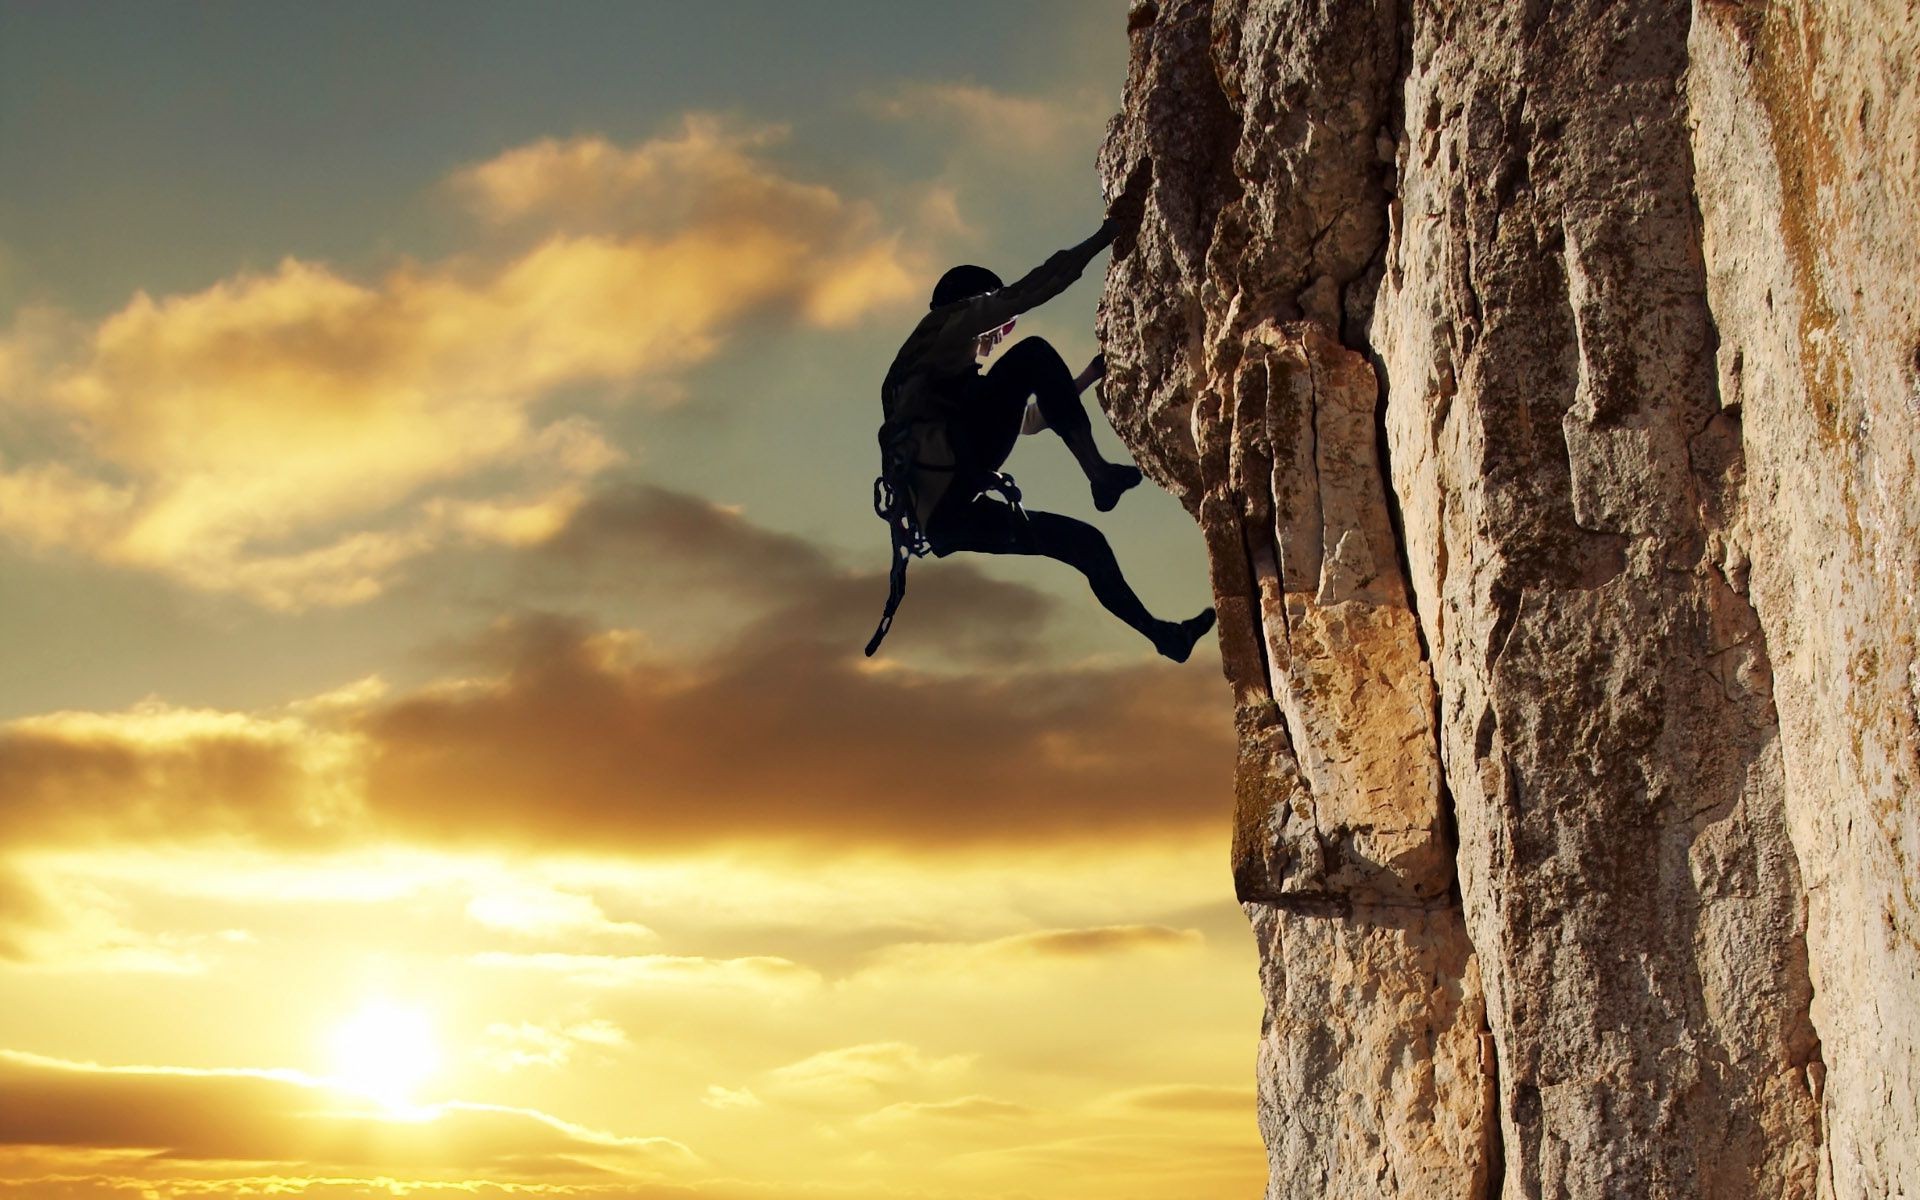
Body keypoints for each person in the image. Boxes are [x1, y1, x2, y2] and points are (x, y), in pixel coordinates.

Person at [864, 216, 1216, 661]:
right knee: (1032, 355)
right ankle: (1098, 473)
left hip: (947, 520)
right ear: (976, 306)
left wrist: (1087, 376)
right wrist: (1105, 237)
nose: (998, 334)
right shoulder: (947, 326)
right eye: (998, 322)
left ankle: (1165, 637)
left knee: (1085, 544)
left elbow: (1026, 422)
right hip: (958, 481)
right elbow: (1035, 288)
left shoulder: (923, 371)